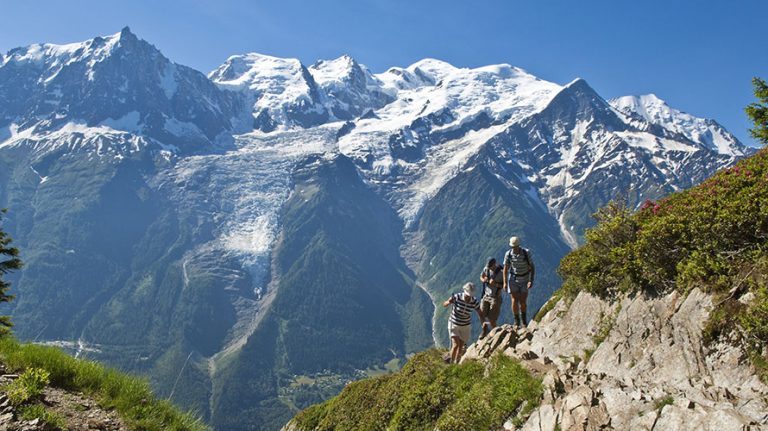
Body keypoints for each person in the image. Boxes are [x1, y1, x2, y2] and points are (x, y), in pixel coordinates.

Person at [443, 282, 485, 364]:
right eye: (467, 295)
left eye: (470, 295)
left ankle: (457, 363)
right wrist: (449, 302)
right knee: (455, 345)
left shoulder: (474, 301)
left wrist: (483, 323)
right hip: (454, 323)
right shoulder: (457, 297)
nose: (468, 297)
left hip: (465, 326)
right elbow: (445, 304)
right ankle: (451, 364)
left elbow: (480, 312)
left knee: (461, 346)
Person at [503, 236, 535, 328]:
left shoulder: (526, 253)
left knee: (523, 301)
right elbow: (505, 268)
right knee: (514, 300)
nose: (515, 248)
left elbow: (532, 266)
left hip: (524, 279)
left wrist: (530, 280)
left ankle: (524, 321)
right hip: (513, 279)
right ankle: (517, 321)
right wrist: (505, 282)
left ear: (519, 245)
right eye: (513, 247)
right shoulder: (508, 254)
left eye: (516, 247)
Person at [479, 257, 503, 337]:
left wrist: (495, 284)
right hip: (486, 295)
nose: (489, 268)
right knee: (481, 314)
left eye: (490, 266)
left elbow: (504, 286)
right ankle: (485, 329)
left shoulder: (501, 273)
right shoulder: (486, 269)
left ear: (494, 264)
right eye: (488, 266)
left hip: (495, 297)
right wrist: (484, 279)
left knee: (492, 319)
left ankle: (496, 334)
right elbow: (481, 277)